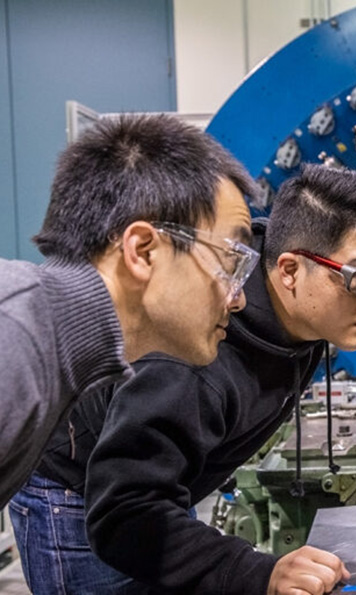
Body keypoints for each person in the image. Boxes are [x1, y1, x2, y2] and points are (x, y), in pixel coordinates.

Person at [14, 164, 356, 594]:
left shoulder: (301, 269)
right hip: (77, 493)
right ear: (289, 271)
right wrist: (259, 572)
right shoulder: (194, 360)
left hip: (147, 484)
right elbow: (125, 512)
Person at [0, 114, 259, 508]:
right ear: (142, 251)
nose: (237, 299)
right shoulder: (15, 345)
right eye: (228, 262)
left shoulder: (54, 351)